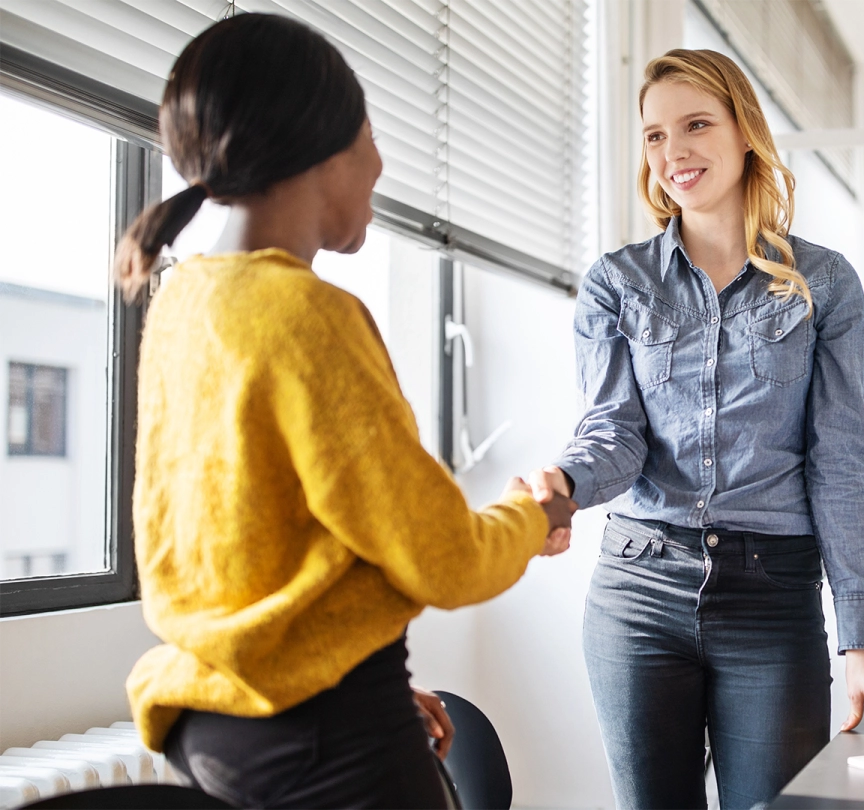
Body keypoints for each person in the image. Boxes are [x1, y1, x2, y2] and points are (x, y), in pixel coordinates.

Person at [115, 14, 575, 809]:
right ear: (318, 145)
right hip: (322, 741)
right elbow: (446, 557)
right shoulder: (306, 314)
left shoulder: (184, 302)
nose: (381, 162)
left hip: (222, 730)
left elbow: (249, 553)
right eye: (368, 132)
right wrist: (536, 514)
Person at [529, 49, 864, 810]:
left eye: (695, 125)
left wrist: (862, 638)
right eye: (654, 136)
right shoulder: (617, 284)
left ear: (744, 130)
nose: (673, 152)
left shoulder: (826, 283)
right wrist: (566, 489)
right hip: (639, 594)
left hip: (771, 596)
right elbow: (614, 432)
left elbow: (839, 463)